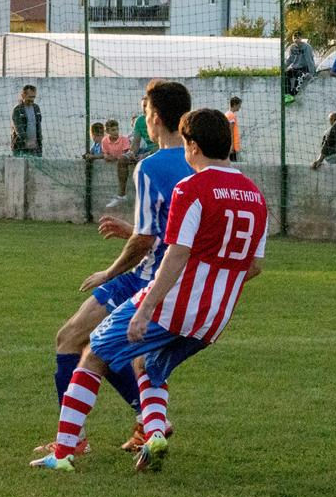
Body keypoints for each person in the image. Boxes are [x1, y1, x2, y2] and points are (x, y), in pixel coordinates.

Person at [32, 108, 267, 473]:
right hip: (213, 318)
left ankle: (63, 453)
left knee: (93, 352)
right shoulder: (255, 195)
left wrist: (144, 310)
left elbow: (176, 254)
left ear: (193, 146)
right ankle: (155, 433)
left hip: (171, 304)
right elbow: (254, 266)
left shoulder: (191, 189)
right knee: (148, 365)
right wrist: (213, 285)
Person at [33, 80, 193, 461]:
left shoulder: (150, 166)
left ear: (156, 117)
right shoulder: (197, 163)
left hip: (145, 278)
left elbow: (145, 241)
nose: (143, 118)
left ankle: (75, 439)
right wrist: (133, 230)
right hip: (174, 278)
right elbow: (174, 231)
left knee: (71, 338)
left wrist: (109, 272)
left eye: (145, 111)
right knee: (98, 346)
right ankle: (147, 420)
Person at [101, 119, 135, 208]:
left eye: (117, 129)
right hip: (118, 161)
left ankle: (121, 195)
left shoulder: (124, 139)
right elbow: (106, 155)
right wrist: (107, 157)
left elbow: (125, 154)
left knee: (123, 160)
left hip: (125, 160)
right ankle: (121, 196)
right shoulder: (104, 141)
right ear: (107, 131)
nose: (116, 132)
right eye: (113, 130)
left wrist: (114, 157)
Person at [282, 30, 316, 100]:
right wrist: (283, 67)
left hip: (304, 69)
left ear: (301, 38)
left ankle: (293, 95)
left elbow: (309, 61)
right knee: (285, 74)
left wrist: (311, 73)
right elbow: (290, 59)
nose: (296, 39)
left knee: (299, 77)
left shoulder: (307, 47)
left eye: (298, 38)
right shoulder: (292, 47)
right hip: (295, 68)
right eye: (294, 38)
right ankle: (287, 94)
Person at [10, 85, 42, 157]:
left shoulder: (36, 108)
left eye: (34, 97)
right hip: (20, 147)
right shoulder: (17, 109)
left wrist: (39, 142)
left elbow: (39, 126)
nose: (32, 99)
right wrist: (26, 141)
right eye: (30, 97)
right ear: (23, 95)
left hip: (35, 148)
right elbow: (18, 129)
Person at [129, 96, 157, 161]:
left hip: (158, 150)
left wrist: (147, 154)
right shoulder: (139, 120)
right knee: (123, 159)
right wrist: (132, 153)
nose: (145, 109)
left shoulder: (159, 119)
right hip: (146, 150)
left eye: (147, 106)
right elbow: (136, 142)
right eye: (143, 106)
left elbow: (162, 145)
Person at [224, 96, 242, 161]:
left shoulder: (227, 114)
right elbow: (230, 132)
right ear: (234, 104)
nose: (240, 107)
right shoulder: (231, 115)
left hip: (229, 145)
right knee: (233, 164)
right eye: (239, 105)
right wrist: (231, 146)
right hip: (233, 147)